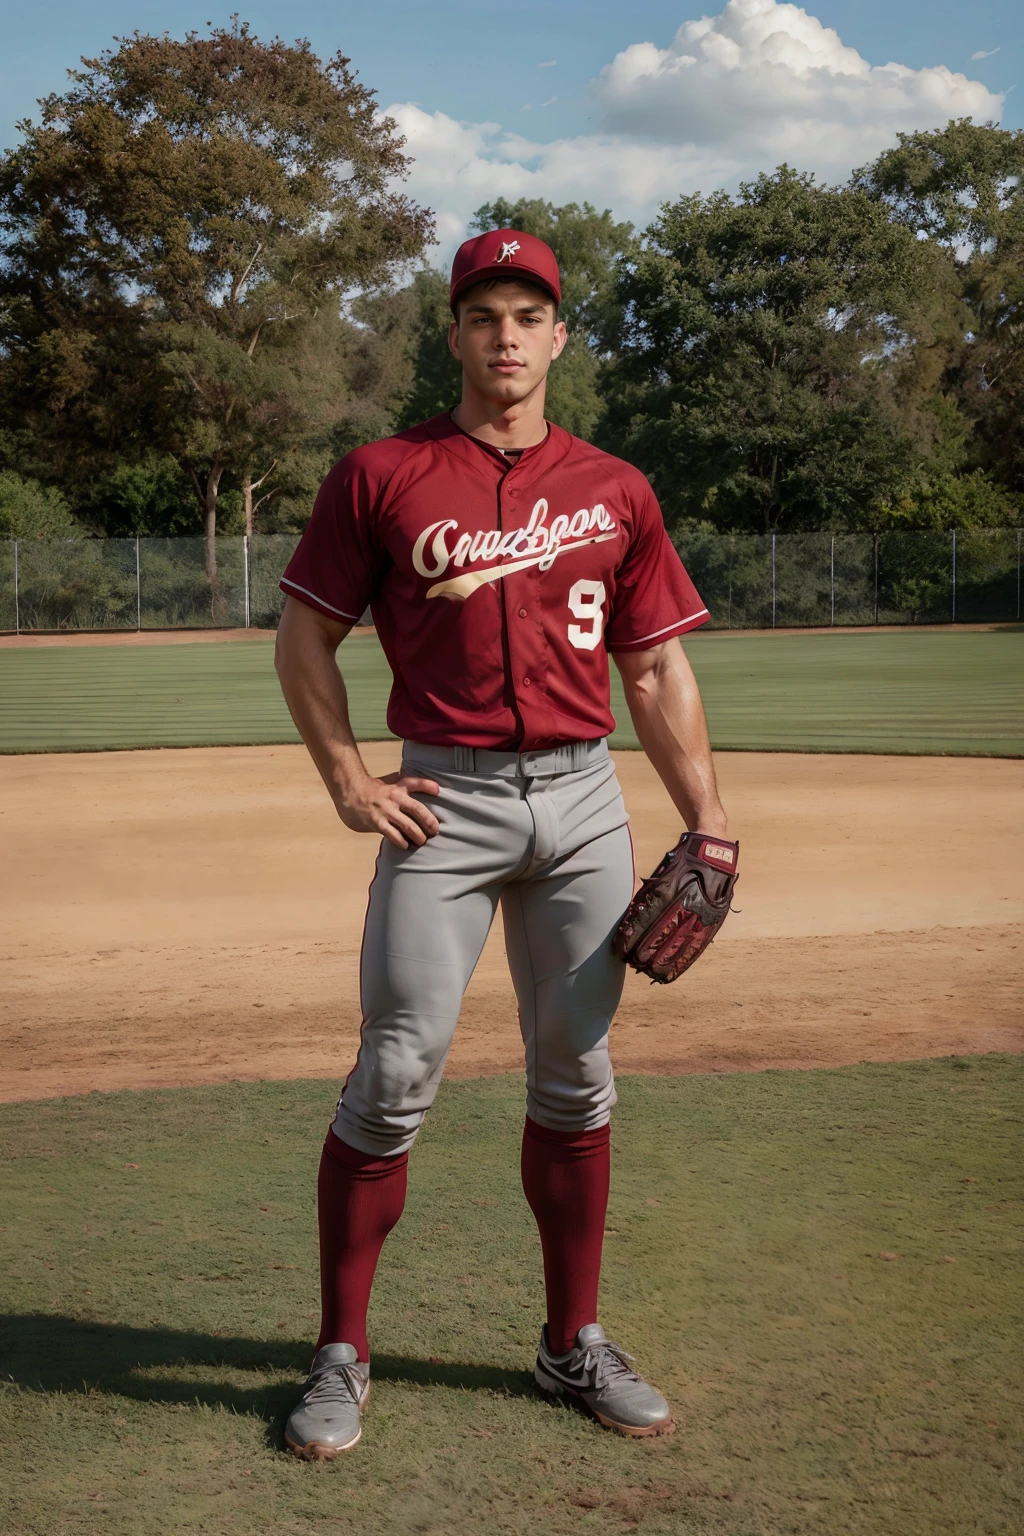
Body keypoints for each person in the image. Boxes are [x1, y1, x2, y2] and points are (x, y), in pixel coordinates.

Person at [273, 227, 728, 1456]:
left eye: (531, 313)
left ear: (559, 337)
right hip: (444, 801)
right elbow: (304, 636)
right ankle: (339, 1353)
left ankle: (569, 1342)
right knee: (396, 1070)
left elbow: (655, 665)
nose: (508, 334)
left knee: (576, 1072)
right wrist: (347, 781)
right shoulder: (382, 473)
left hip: (582, 801)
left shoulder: (615, 486)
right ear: (457, 332)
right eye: (486, 313)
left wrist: (709, 820)